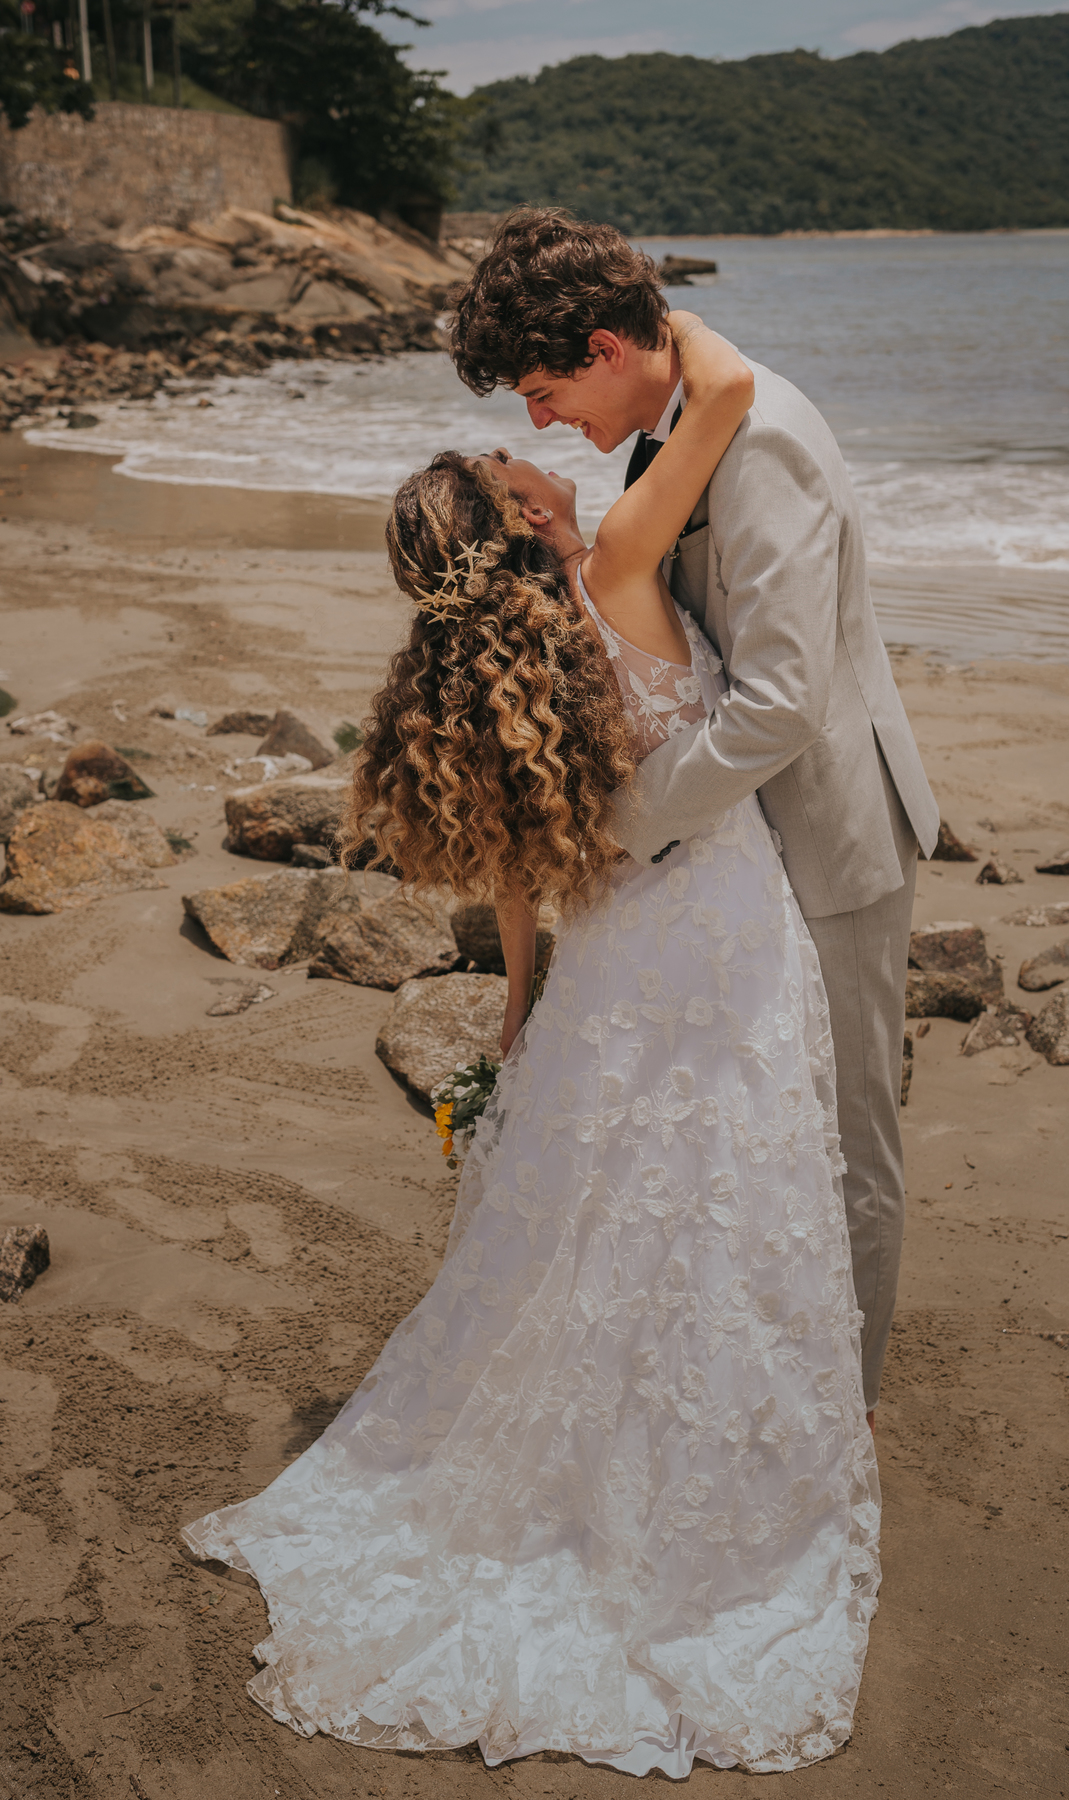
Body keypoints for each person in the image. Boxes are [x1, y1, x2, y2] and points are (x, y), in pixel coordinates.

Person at [182, 311, 880, 1776]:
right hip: (721, 931)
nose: (541, 443)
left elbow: (518, 883)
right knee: (726, 1198)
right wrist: (646, 318)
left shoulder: (468, 680)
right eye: (519, 457)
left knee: (598, 1212)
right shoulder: (621, 568)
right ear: (523, 526)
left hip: (611, 963)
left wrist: (521, 1020)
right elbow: (730, 389)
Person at [449, 210, 939, 1425]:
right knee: (755, 1134)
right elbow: (685, 630)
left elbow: (776, 706)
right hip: (742, 842)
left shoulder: (758, 439)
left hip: (828, 835)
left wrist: (625, 822)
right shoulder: (676, 425)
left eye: (545, 390)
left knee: (843, 1141)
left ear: (609, 347)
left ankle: (840, 1423)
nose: (540, 423)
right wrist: (578, 552)